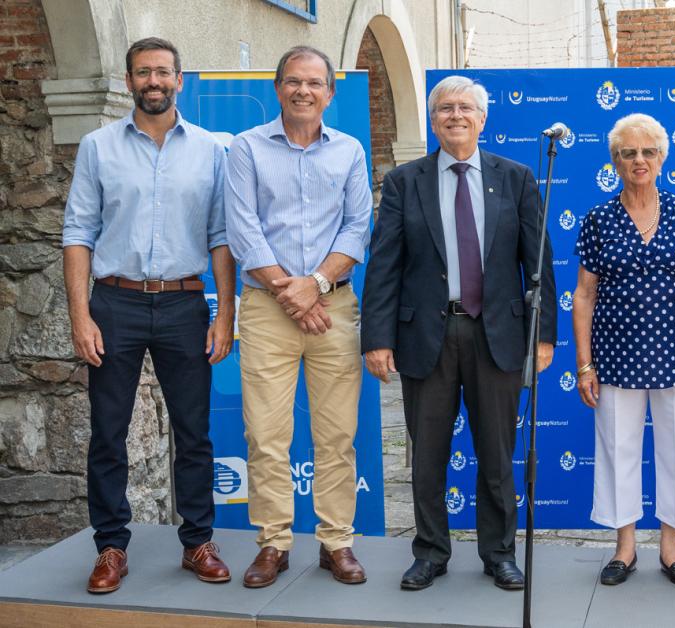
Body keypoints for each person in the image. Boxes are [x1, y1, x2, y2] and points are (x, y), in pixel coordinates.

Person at [360, 75, 556, 591]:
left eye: (465, 107)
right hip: (427, 334)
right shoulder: (405, 181)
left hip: (498, 336)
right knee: (426, 456)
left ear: (482, 118)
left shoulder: (515, 178)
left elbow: (539, 263)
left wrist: (543, 335)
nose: (455, 115)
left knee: (496, 455)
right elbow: (384, 266)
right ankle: (429, 552)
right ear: (433, 119)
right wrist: (376, 337)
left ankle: (498, 554)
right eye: (445, 108)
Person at [63, 37, 234, 594]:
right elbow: (77, 234)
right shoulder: (97, 146)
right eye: (143, 73)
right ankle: (111, 546)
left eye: (163, 72)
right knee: (108, 432)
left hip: (185, 303)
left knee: (194, 431)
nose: (153, 81)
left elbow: (221, 238)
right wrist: (81, 314)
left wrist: (223, 311)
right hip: (115, 302)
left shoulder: (211, 149)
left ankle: (198, 542)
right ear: (129, 79)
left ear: (180, 80)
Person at [224, 46, 372, 588]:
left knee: (336, 435)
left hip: (333, 306)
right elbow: (242, 228)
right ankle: (273, 543)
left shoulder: (350, 151)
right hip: (266, 309)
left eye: (314, 82)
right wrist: (292, 293)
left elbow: (357, 227)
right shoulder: (246, 148)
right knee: (266, 434)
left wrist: (316, 286)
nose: (303, 91)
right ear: (278, 87)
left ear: (330, 92)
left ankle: (337, 542)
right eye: (292, 81)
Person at [572, 113, 675, 588]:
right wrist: (584, 365)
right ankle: (625, 548)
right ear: (615, 161)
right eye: (628, 153)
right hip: (615, 356)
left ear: (662, 157)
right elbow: (584, 294)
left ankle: (672, 549)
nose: (639, 160)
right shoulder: (599, 218)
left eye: (648, 152)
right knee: (618, 450)